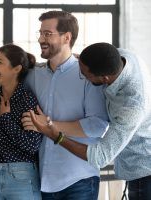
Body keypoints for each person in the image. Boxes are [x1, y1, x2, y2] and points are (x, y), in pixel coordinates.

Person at [30, 42, 151, 200]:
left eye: (85, 75)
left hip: (144, 171)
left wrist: (55, 135)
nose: (82, 78)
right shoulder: (124, 57)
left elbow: (100, 156)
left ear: (105, 78)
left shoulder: (132, 106)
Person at [21, 11, 109, 199]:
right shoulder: (34, 75)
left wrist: (48, 125)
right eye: (40, 33)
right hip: (43, 180)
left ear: (66, 37)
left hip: (80, 179)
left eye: (48, 34)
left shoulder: (87, 76)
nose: (41, 39)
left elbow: (98, 125)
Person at [0, 44, 42, 200]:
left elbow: (31, 145)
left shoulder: (27, 100)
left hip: (22, 177)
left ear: (16, 69)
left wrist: (5, 118)